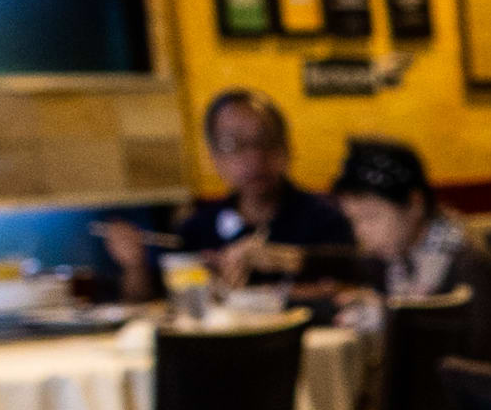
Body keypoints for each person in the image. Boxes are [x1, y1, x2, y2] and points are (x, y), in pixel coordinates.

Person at [97, 89, 352, 299]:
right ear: (214, 158)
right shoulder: (197, 227)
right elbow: (153, 304)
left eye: (265, 142)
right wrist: (135, 265)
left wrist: (265, 278)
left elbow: (351, 285)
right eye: (234, 145)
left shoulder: (327, 218)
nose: (254, 157)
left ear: (286, 148)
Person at [326, 136, 491, 323]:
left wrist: (387, 318)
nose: (360, 232)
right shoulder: (393, 261)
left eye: (371, 216)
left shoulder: (469, 267)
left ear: (415, 204)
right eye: (353, 220)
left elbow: (479, 349)